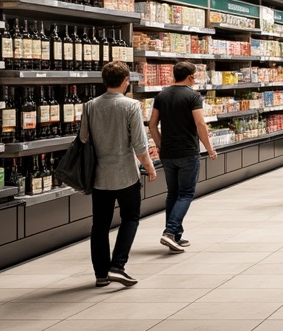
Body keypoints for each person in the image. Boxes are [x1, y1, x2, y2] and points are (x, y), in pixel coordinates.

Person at [80, 60, 156, 287]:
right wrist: (150, 168)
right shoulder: (131, 106)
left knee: (100, 225)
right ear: (125, 81)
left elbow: (84, 139)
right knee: (130, 218)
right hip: (126, 175)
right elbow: (140, 146)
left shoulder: (90, 106)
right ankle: (118, 266)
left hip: (99, 176)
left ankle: (101, 274)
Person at [148, 60, 216, 254]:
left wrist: (161, 146)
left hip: (168, 154)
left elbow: (152, 125)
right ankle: (170, 232)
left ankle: (176, 235)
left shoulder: (161, 95)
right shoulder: (193, 96)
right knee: (186, 193)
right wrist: (209, 149)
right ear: (190, 77)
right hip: (187, 152)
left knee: (173, 193)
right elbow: (200, 125)